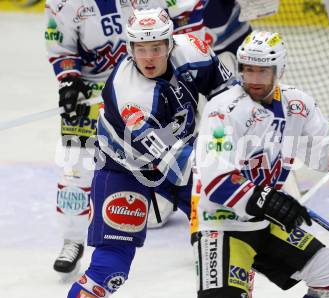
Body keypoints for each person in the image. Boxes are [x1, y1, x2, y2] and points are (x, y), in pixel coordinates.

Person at [190, 31, 329, 298]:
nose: (253, 79)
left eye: (263, 72)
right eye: (248, 70)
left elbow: (327, 153)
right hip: (221, 224)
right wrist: (270, 201)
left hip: (266, 222)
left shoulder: (297, 105)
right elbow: (216, 179)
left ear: (279, 70)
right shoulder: (224, 109)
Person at [67, 8, 232, 297]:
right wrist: (226, 175)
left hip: (179, 151)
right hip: (123, 167)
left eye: (156, 47)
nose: (148, 57)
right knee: (110, 269)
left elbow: (230, 96)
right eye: (140, 49)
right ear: (130, 48)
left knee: (230, 237)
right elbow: (173, 161)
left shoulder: (194, 51)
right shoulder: (130, 94)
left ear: (171, 43)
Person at [45, 0, 211, 275]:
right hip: (93, 93)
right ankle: (72, 240)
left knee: (180, 167)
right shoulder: (64, 3)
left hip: (153, 90)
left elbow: (187, 14)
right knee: (75, 167)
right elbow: (60, 46)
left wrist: (187, 65)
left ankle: (206, 235)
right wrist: (68, 80)